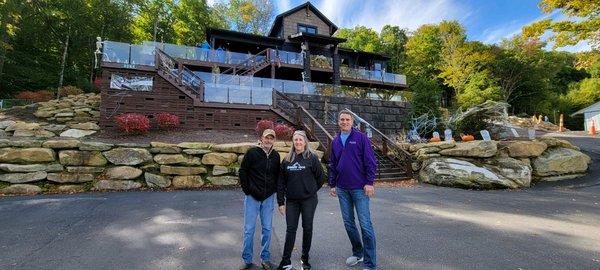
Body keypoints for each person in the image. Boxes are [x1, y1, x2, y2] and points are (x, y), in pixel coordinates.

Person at [328, 109, 378, 270]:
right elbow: (333, 165)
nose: (344, 122)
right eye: (342, 119)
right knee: (349, 224)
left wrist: (369, 182)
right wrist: (332, 184)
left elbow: (371, 161)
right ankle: (358, 253)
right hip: (342, 189)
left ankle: (370, 264)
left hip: (359, 189)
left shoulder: (361, 138)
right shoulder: (335, 141)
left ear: (352, 122)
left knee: (365, 225)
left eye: (347, 120)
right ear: (338, 121)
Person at [276, 130, 325, 270]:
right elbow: (280, 183)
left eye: (300, 140)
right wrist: (281, 202)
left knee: (307, 228)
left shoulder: (312, 158)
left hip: (308, 201)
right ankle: (286, 261)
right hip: (291, 201)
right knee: (290, 230)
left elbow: (321, 178)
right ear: (293, 141)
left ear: (305, 142)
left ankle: (305, 259)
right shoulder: (287, 160)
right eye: (295, 140)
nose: (298, 142)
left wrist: (311, 190)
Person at [239, 129, 281, 270]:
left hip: (268, 198)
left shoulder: (276, 156)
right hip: (252, 197)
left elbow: (277, 176)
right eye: (266, 138)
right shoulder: (252, 153)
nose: (269, 140)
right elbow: (243, 171)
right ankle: (247, 259)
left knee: (267, 229)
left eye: (271, 138)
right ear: (261, 139)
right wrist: (247, 190)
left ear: (274, 140)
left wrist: (274, 190)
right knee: (249, 230)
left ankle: (265, 258)